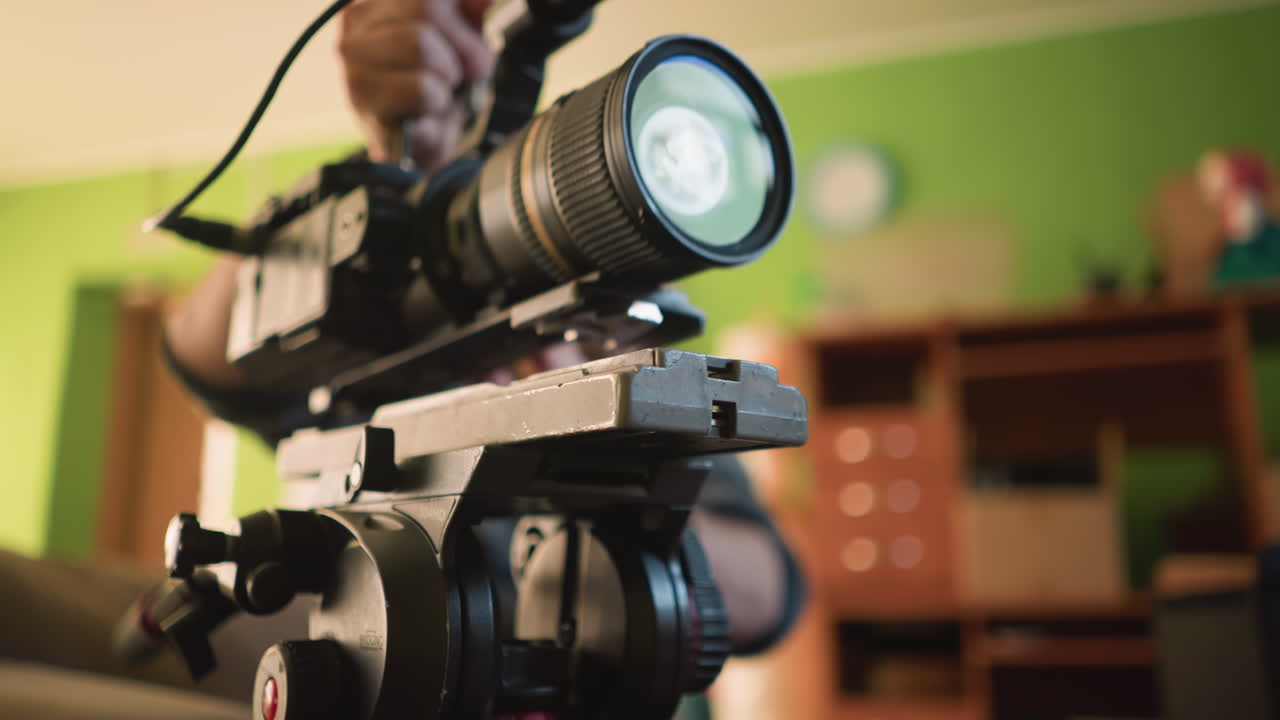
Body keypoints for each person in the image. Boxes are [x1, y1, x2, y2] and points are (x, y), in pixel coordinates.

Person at [0, 1, 804, 716]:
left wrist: (563, 462)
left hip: (518, 666)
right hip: (323, 610)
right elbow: (202, 358)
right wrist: (399, 177)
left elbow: (773, 592)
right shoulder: (399, 316)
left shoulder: (639, 384)